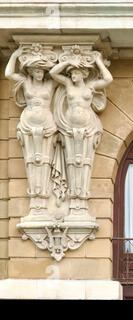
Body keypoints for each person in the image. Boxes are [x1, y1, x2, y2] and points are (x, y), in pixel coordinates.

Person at [50, 52, 113, 218]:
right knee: (72, 161)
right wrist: (68, 62)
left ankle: (81, 198)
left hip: (88, 127)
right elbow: (53, 73)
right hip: (69, 127)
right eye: (71, 73)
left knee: (84, 162)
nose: (73, 75)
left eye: (76, 73)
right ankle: (74, 197)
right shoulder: (68, 84)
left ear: (83, 73)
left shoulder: (90, 86)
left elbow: (108, 79)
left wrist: (99, 61)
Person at [5, 46, 58, 219]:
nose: (39, 73)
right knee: (31, 160)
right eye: (36, 70)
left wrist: (66, 62)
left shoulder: (50, 83)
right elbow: (9, 74)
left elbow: (58, 74)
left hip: (47, 123)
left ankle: (42, 196)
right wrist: (14, 55)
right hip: (28, 122)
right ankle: (36, 198)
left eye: (42, 70)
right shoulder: (25, 82)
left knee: (44, 160)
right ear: (30, 71)